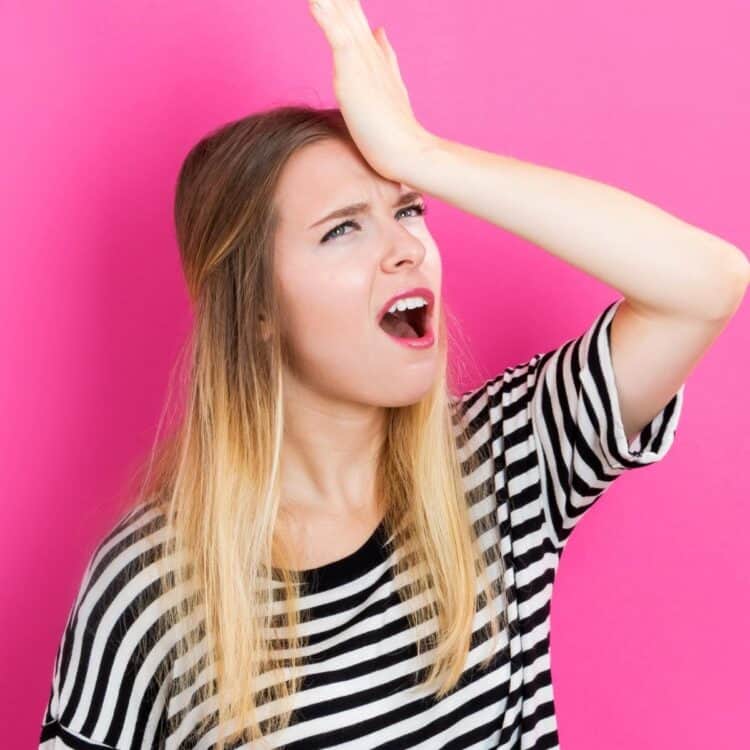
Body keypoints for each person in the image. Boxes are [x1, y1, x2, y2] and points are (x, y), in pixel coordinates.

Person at [38, 2, 748, 749]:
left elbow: (704, 286)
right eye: (343, 228)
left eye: (408, 210)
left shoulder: (506, 461)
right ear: (255, 308)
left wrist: (421, 152)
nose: (406, 249)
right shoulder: (150, 586)